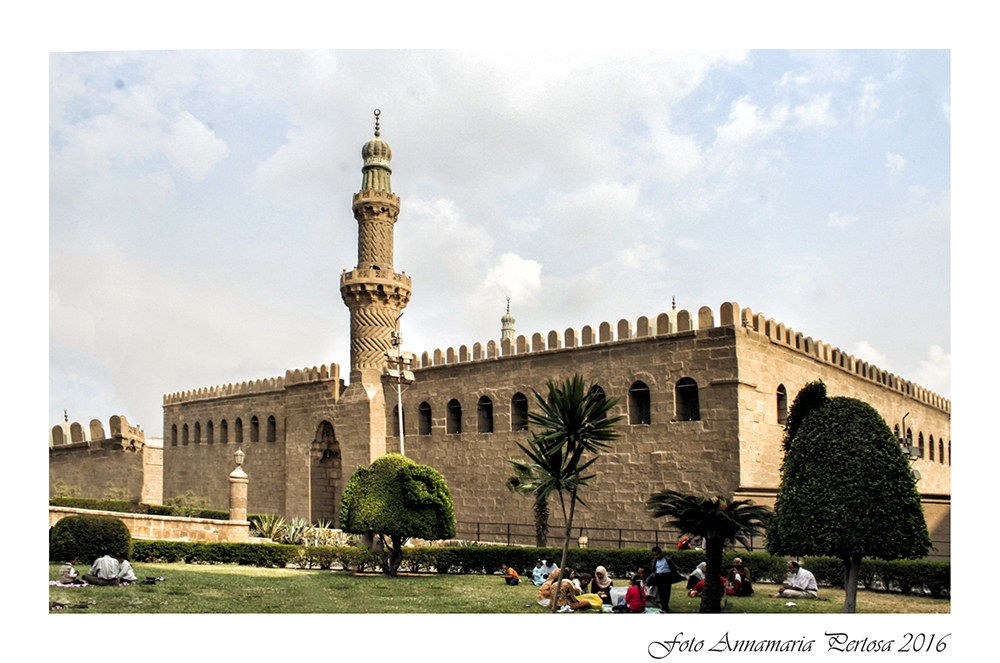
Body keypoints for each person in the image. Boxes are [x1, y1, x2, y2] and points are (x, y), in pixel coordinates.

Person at [648, 546, 681, 612]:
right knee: (660, 592)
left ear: (660, 553)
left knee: (666, 592)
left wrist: (678, 575)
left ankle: (666, 606)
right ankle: (663, 606)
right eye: (654, 555)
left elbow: (674, 568)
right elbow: (653, 569)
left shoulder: (667, 560)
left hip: (666, 576)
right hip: (659, 576)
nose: (656, 557)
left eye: (657, 555)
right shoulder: (655, 561)